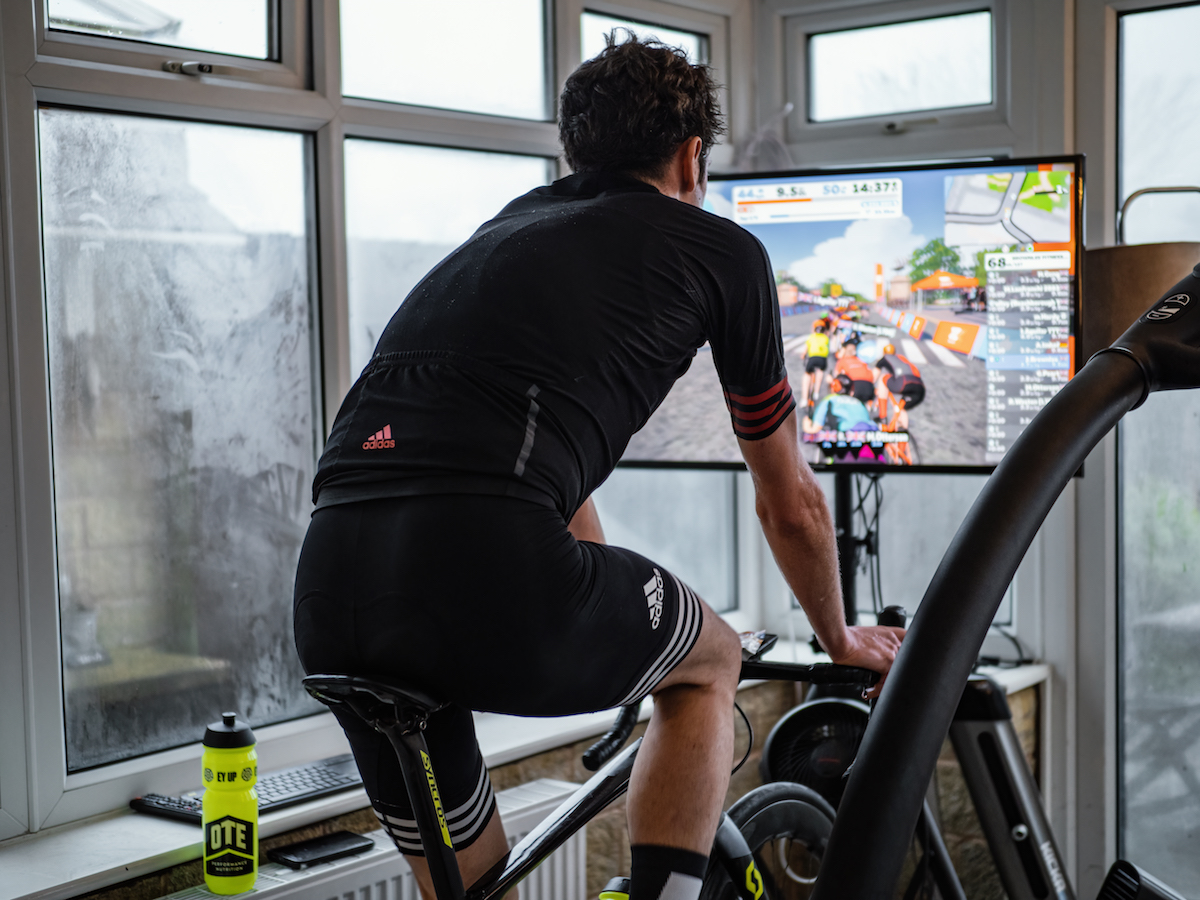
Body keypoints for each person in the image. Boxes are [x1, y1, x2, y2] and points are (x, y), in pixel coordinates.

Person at [292, 35, 904, 900]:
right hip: (498, 574)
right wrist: (839, 636)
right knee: (711, 658)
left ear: (572, 153)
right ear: (693, 156)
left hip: (331, 597)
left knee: (474, 891)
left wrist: (602, 588)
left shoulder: (502, 229)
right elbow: (790, 501)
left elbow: (521, 463)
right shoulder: (722, 252)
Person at [802, 375, 877, 434]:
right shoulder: (859, 403)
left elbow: (814, 430)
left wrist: (806, 425)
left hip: (847, 434)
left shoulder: (829, 400)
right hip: (870, 431)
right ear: (852, 391)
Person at [874, 342, 926, 428]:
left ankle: (882, 416)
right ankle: (902, 436)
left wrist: (871, 386)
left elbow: (874, 376)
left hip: (904, 383)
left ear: (884, 353)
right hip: (920, 388)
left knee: (883, 378)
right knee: (902, 409)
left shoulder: (885, 358)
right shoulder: (902, 358)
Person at [832, 335, 877, 405]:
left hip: (855, 386)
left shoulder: (842, 361)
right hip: (869, 386)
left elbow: (836, 375)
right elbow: (871, 374)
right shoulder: (861, 360)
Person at [800, 317, 830, 409]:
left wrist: (803, 355)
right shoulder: (826, 338)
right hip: (822, 359)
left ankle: (804, 399)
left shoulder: (811, 337)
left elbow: (804, 351)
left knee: (807, 374)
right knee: (820, 371)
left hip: (812, 358)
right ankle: (816, 392)